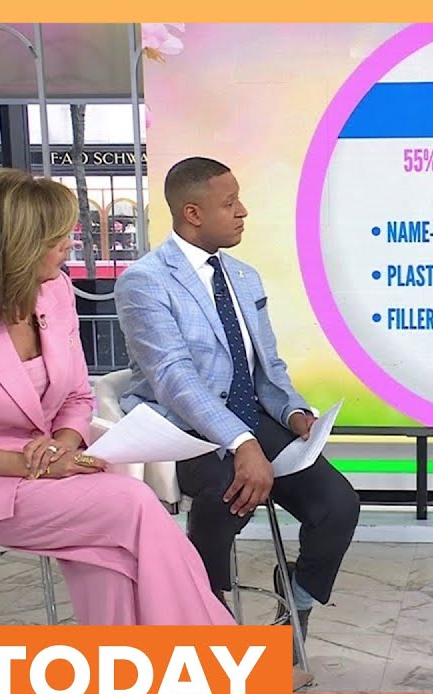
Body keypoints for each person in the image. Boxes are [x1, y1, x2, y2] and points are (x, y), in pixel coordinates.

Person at [0, 169, 234, 626]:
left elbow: (77, 395)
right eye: (55, 238)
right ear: (12, 247)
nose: (68, 245)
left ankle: (126, 664)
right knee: (133, 504)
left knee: (112, 555)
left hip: (59, 471)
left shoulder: (53, 291)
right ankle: (209, 648)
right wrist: (34, 465)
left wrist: (64, 443)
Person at [114, 157, 360, 657]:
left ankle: (296, 602)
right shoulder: (144, 281)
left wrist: (292, 413)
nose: (243, 211)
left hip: (250, 418)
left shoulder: (244, 278)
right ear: (193, 213)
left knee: (338, 505)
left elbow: (267, 367)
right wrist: (242, 442)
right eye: (229, 203)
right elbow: (174, 378)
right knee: (225, 495)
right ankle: (209, 621)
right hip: (183, 427)